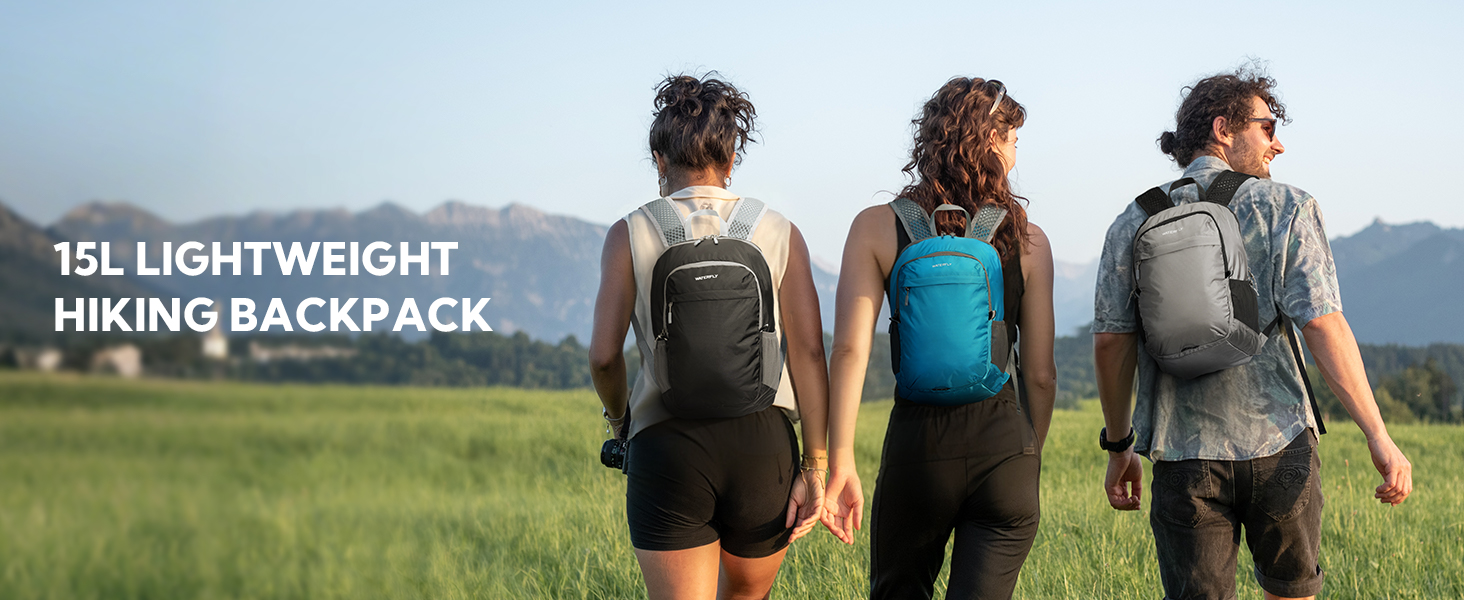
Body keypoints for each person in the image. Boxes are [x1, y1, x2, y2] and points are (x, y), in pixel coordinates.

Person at [1093, 67, 1415, 600]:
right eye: (1267, 128)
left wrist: (1119, 446)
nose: (1278, 144)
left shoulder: (1133, 219)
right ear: (1223, 129)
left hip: (1183, 452)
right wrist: (1378, 436)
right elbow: (1322, 323)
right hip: (1280, 444)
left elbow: (1111, 341)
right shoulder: (1287, 206)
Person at [587, 73, 830, 600]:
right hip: (763, 445)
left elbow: (604, 357)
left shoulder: (629, 232)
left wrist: (620, 423)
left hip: (667, 444)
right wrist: (815, 463)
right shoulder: (779, 230)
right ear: (731, 158)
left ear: (659, 161)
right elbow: (810, 352)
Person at [822, 77, 1057, 600]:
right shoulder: (1029, 239)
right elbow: (1041, 374)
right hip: (1004, 448)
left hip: (917, 447)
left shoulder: (875, 227)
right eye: (1014, 140)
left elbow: (850, 350)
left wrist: (841, 460)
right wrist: (1026, 453)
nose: (1016, 153)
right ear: (992, 141)